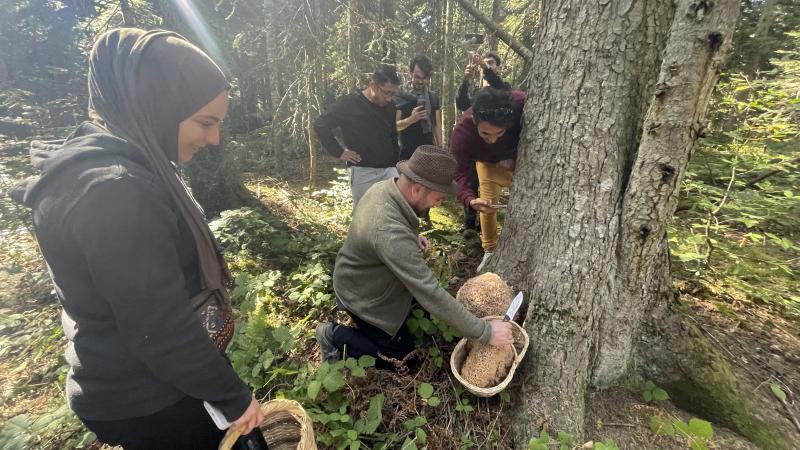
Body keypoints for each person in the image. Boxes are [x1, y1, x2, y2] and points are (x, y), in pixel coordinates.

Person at [10, 28, 263, 449]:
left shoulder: (98, 166)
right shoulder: (117, 191)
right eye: (205, 122)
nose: (214, 138)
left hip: (134, 381)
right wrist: (233, 398)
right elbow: (159, 328)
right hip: (150, 397)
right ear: (157, 106)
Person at [315, 145, 514, 370]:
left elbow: (390, 227)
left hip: (363, 278)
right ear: (417, 189)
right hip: (364, 298)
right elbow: (429, 292)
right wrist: (485, 332)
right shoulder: (389, 233)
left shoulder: (385, 189)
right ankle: (333, 335)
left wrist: (411, 235)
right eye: (438, 198)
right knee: (405, 361)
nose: (438, 204)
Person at [451, 87, 526, 273]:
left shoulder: (518, 103)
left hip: (523, 165)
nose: (492, 140)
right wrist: (469, 199)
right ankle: (489, 250)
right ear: (475, 120)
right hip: (487, 165)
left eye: (499, 133)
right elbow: (459, 173)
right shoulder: (462, 133)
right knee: (488, 205)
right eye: (485, 134)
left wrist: (515, 160)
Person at [314, 65, 401, 207]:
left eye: (393, 94)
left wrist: (396, 163)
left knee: (395, 211)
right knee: (364, 215)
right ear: (373, 86)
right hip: (363, 170)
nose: (390, 98)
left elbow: (392, 134)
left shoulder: (390, 106)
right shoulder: (350, 103)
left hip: (389, 170)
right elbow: (320, 124)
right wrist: (339, 151)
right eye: (387, 93)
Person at [455, 52, 511, 232]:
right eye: (485, 63)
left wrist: (485, 69)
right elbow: (462, 103)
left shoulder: (505, 91)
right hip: (477, 151)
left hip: (502, 157)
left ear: (498, 67)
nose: (487, 65)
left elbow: (501, 88)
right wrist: (466, 80)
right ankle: (470, 224)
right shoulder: (477, 94)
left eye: (491, 63)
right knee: (472, 183)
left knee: (491, 193)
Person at [394, 55, 441, 160]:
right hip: (406, 154)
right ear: (410, 73)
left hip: (428, 153)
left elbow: (437, 125)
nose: (420, 81)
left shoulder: (432, 97)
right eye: (417, 77)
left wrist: (440, 149)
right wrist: (411, 119)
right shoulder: (400, 95)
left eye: (424, 78)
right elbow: (394, 127)